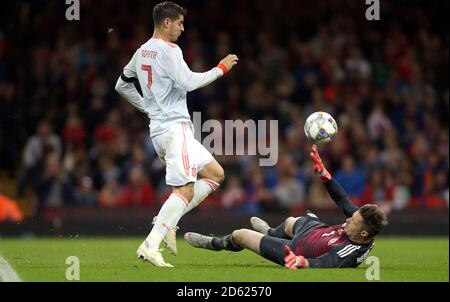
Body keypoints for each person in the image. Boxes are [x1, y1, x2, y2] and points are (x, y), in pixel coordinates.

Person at [115, 1, 239, 267]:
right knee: (184, 189)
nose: (183, 28)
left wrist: (147, 107)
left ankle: (169, 221)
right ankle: (151, 244)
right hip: (174, 129)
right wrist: (221, 68)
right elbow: (189, 82)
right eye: (180, 23)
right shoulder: (170, 50)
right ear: (166, 22)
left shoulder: (142, 51)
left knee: (216, 174)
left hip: (161, 130)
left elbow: (121, 85)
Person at [184, 145, 389, 269]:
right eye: (351, 217)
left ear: (363, 233)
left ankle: (214, 242)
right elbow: (343, 200)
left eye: (353, 221)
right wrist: (324, 175)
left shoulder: (351, 250)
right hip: (316, 231)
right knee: (292, 220)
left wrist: (301, 262)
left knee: (240, 234)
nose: (348, 218)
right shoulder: (362, 224)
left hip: (296, 250)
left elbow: (327, 262)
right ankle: (271, 231)